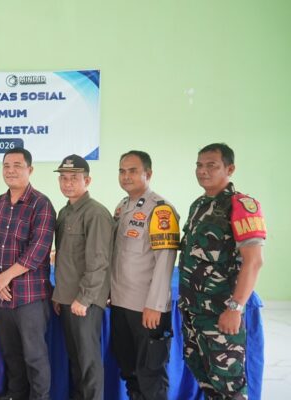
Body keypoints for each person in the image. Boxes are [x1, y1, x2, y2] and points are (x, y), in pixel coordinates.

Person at [179, 143, 265, 399]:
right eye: (199, 165)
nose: (202, 171)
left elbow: (254, 261)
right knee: (205, 378)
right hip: (194, 311)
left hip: (221, 312)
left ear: (230, 169)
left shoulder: (241, 205)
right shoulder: (199, 205)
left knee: (229, 384)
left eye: (211, 165)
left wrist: (235, 308)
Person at [0, 148, 56, 400]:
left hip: (30, 297)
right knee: (11, 355)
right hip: (2, 296)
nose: (10, 170)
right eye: (6, 165)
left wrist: (5, 277)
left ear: (30, 170)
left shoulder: (41, 204)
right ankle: (16, 395)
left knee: (35, 357)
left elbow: (37, 251)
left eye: (17, 165)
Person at [110, 151, 179, 400]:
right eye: (122, 171)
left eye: (132, 171)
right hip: (120, 304)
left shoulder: (161, 211)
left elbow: (165, 262)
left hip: (146, 308)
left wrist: (155, 305)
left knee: (151, 376)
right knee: (129, 371)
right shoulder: (122, 207)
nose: (126, 176)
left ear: (147, 174)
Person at [52, 154, 113, 400]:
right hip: (68, 298)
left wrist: (84, 298)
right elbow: (65, 258)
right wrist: (60, 295)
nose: (67, 183)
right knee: (76, 361)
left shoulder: (95, 213)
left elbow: (99, 261)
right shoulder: (65, 212)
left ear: (87, 181)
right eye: (63, 178)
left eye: (74, 178)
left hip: (84, 302)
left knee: (88, 362)